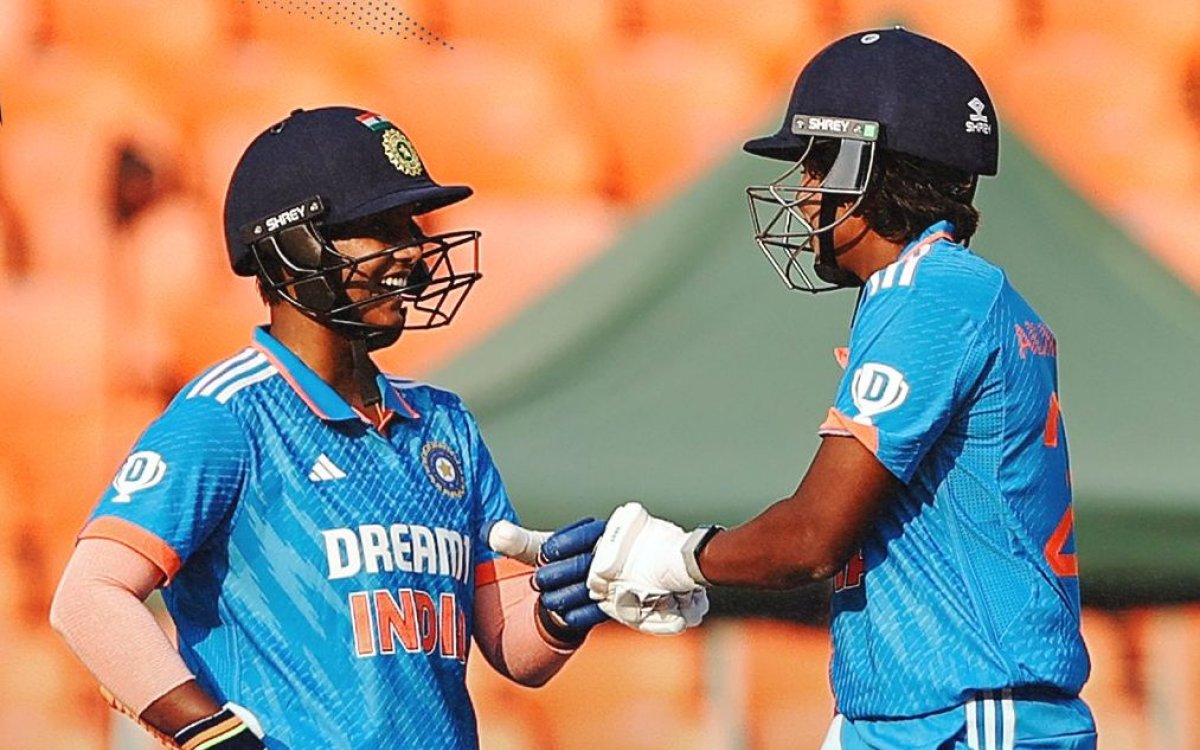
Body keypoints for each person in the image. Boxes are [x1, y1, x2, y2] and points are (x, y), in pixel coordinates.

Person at [581, 28, 1096, 749]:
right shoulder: (949, 290)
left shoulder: (928, 294)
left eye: (819, 164)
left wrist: (680, 557)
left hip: (965, 717)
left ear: (867, 167)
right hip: (928, 715)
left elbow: (810, 538)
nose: (804, 194)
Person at [49, 106, 608, 750]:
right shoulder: (228, 416)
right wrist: (217, 737)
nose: (413, 252)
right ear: (293, 248)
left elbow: (513, 648)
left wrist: (569, 604)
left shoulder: (445, 423)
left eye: (410, 226)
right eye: (379, 228)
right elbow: (89, 597)